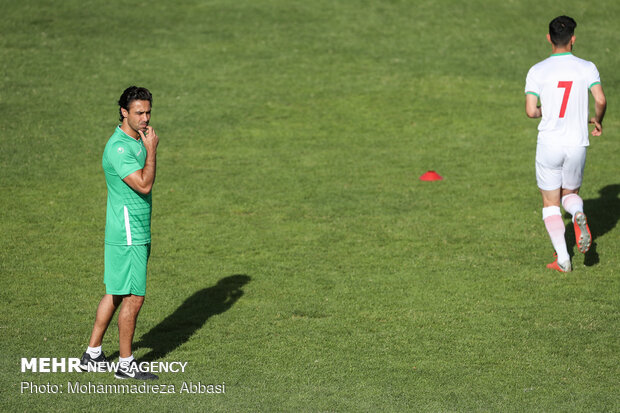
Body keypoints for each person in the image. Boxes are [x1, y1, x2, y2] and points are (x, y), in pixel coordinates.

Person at [79, 86, 159, 379]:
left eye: (148, 111)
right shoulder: (120, 148)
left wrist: (146, 144)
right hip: (129, 232)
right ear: (124, 112)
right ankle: (125, 365)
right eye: (139, 112)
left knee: (115, 292)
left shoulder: (137, 137)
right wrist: (152, 152)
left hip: (131, 227)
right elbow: (143, 184)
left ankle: (93, 353)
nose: (145, 118)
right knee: (133, 297)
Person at [525, 16, 607, 272]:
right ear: (573, 39)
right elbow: (601, 100)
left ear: (549, 38)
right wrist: (598, 120)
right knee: (570, 194)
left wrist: (544, 111)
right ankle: (577, 213)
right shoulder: (586, 67)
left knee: (550, 203)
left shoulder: (537, 70)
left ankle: (563, 259)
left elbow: (530, 111)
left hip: (549, 143)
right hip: (576, 144)